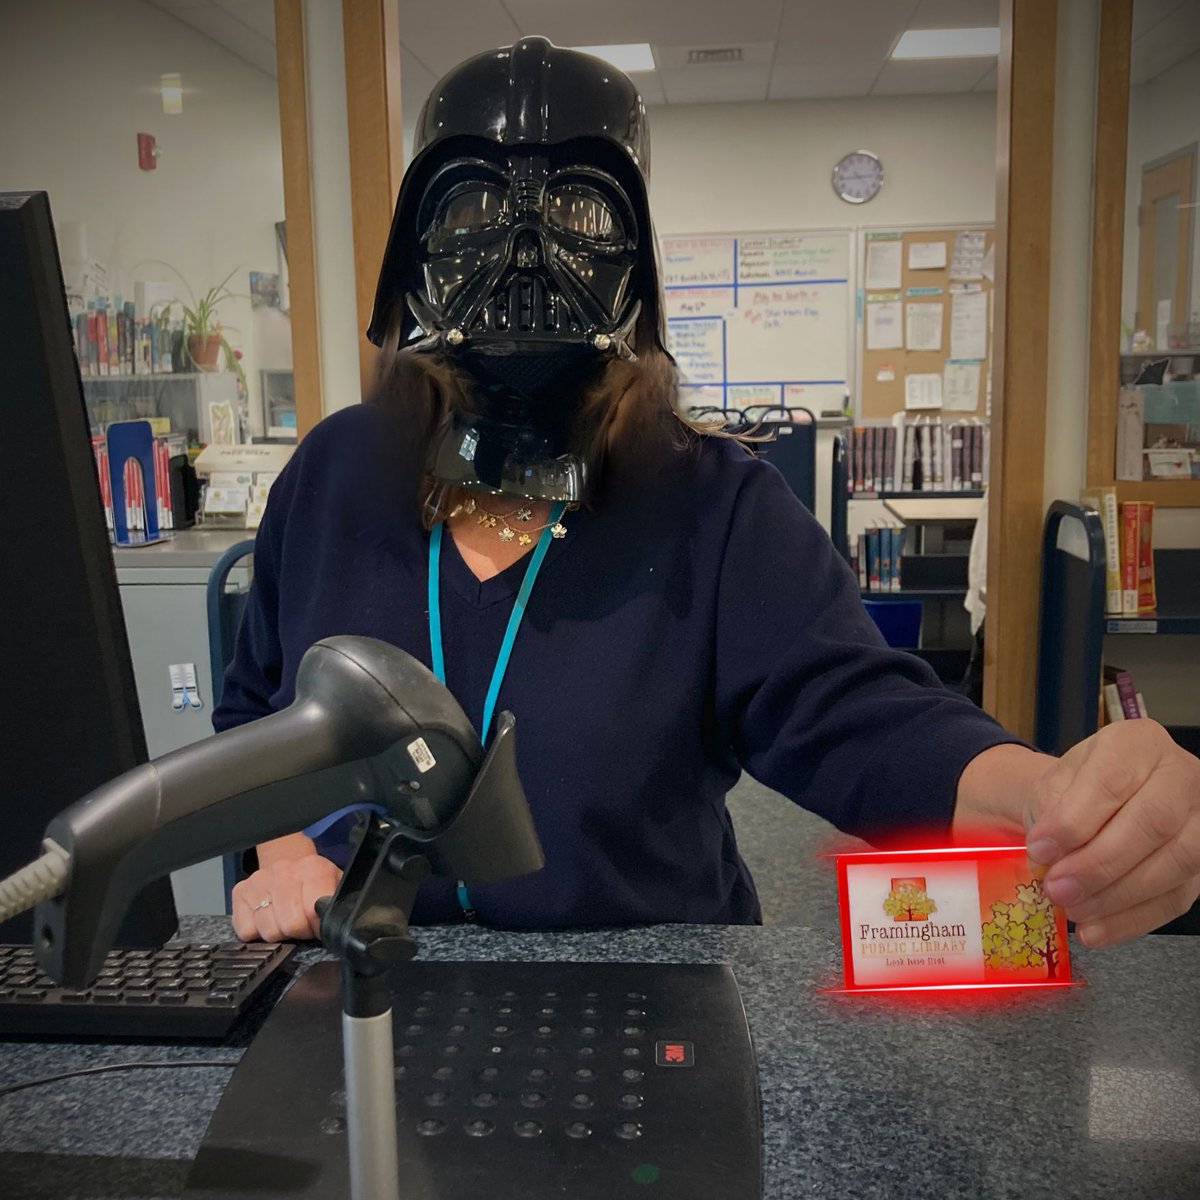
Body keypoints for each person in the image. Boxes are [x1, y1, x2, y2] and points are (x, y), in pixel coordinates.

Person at [218, 37, 1200, 949]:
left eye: (578, 211)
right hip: (370, 988)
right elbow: (260, 715)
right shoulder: (335, 480)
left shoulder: (713, 506)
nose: (525, 250)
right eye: (473, 206)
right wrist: (288, 857)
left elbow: (859, 718)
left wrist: (1057, 800)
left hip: (646, 1002)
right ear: (418, 244)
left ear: (635, 250)